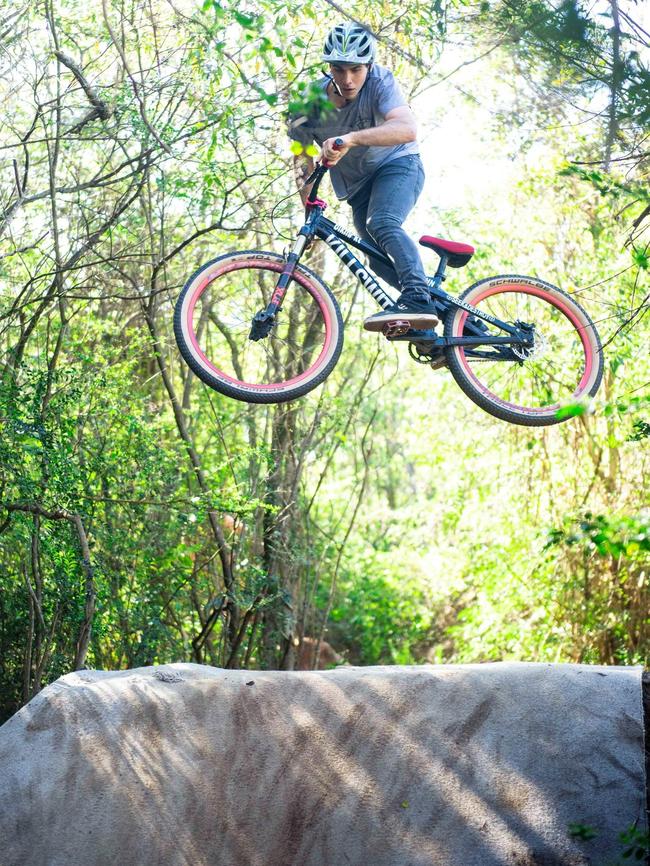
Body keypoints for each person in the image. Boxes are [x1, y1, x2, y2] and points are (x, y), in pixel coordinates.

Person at [289, 22, 438, 333]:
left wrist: (351, 139)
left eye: (356, 69)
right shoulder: (309, 102)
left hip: (398, 165)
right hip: (357, 188)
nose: (348, 79)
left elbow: (407, 128)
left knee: (382, 222)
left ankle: (417, 299)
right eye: (339, 69)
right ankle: (438, 322)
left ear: (368, 65)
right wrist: (309, 204)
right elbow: (301, 153)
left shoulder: (381, 81)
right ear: (328, 67)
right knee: (378, 261)